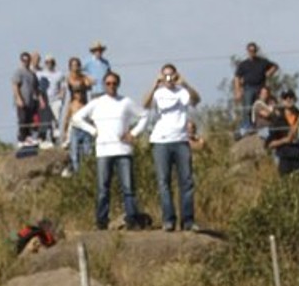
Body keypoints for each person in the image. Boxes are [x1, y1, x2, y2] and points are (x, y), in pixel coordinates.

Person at [69, 70, 147, 231]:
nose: (111, 86)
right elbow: (76, 118)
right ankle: (101, 220)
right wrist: (92, 131)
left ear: (118, 84)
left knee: (128, 188)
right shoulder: (97, 102)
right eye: (108, 83)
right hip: (104, 151)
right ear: (104, 85)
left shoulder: (125, 102)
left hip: (123, 150)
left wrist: (133, 133)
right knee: (103, 188)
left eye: (114, 83)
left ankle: (132, 219)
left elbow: (145, 115)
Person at [141, 63, 201, 231]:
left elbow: (196, 100)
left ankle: (188, 220)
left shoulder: (182, 93)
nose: (169, 78)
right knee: (163, 182)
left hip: (181, 140)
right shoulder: (158, 93)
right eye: (165, 75)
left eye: (171, 75)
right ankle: (169, 219)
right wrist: (155, 84)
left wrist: (185, 83)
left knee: (186, 181)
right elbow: (145, 104)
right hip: (161, 141)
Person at [233, 42, 278, 138]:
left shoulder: (263, 62)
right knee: (248, 107)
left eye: (253, 50)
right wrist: (237, 90)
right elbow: (237, 77)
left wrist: (269, 72)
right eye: (250, 51)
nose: (252, 52)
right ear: (247, 51)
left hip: (260, 87)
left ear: (256, 51)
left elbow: (275, 66)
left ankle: (261, 126)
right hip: (248, 87)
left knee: (262, 107)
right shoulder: (243, 64)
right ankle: (247, 126)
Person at [62, 56, 94, 171]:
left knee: (87, 152)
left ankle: (87, 173)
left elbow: (91, 83)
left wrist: (83, 76)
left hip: (84, 111)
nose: (75, 67)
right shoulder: (68, 78)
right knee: (74, 152)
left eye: (77, 65)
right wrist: (65, 131)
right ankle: (76, 172)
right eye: (73, 65)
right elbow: (66, 117)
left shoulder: (83, 78)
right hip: (74, 111)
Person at [269, 89, 299, 177]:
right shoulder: (276, 119)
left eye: (291, 97)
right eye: (285, 97)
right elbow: (270, 144)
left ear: (295, 99)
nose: (288, 99)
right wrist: (284, 140)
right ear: (282, 100)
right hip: (284, 158)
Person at [12, 52, 40, 144]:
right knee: (22, 120)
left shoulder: (32, 74)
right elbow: (15, 85)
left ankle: (28, 138)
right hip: (22, 101)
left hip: (31, 102)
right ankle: (21, 139)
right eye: (24, 60)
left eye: (27, 60)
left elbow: (36, 87)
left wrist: (38, 100)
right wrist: (18, 99)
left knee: (29, 120)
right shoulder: (19, 72)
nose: (25, 62)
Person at [40, 56, 66, 143]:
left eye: (50, 62)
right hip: (45, 100)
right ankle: (44, 139)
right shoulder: (41, 74)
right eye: (47, 62)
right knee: (46, 120)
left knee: (56, 119)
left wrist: (61, 97)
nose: (49, 64)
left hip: (55, 100)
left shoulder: (59, 74)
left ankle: (55, 139)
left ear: (54, 63)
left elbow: (63, 86)